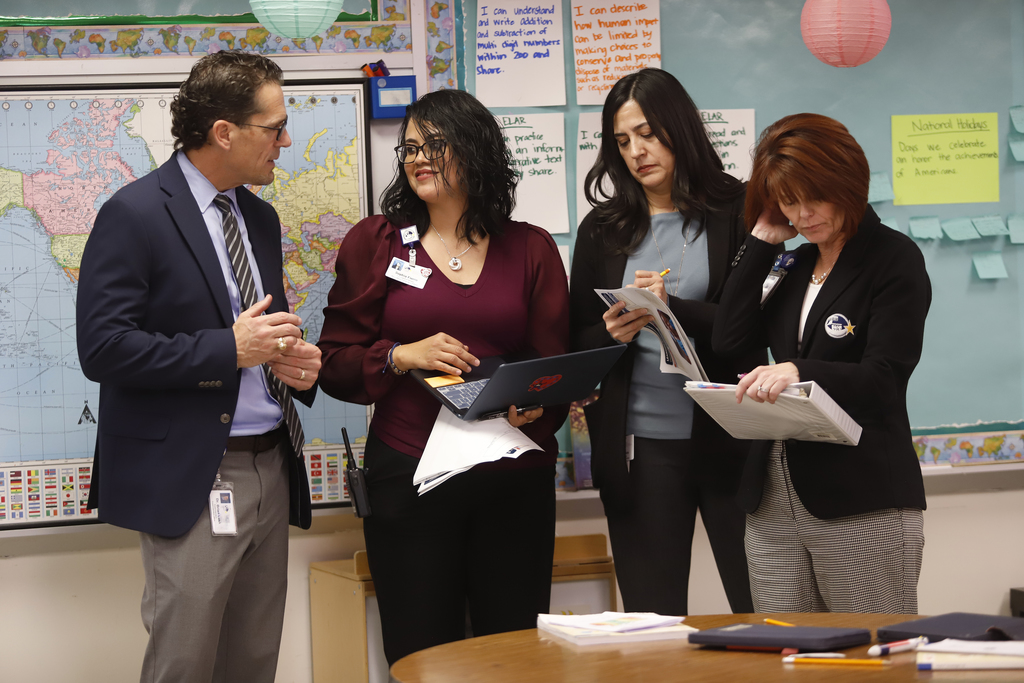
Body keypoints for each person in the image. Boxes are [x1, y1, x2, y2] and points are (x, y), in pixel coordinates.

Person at [76, 51, 322, 682]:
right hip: (192, 475)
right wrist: (228, 350)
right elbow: (103, 348)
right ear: (224, 132)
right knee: (184, 664)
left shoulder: (258, 217)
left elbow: (263, 330)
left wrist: (293, 361)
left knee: (252, 661)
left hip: (271, 464)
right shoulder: (134, 214)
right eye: (275, 127)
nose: (285, 141)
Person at [317, 88, 569, 664]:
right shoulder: (376, 243)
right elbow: (334, 362)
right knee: (421, 652)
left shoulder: (530, 248)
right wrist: (401, 355)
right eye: (409, 148)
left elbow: (552, 366)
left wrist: (537, 404)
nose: (417, 158)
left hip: (512, 476)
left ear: (475, 150)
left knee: (514, 652)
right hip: (408, 478)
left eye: (434, 144)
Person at [712, 113, 931, 613]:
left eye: (814, 197)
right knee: (787, 656)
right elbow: (729, 340)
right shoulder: (795, 262)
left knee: (871, 658)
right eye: (788, 201)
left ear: (847, 183)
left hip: (861, 495)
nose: (802, 214)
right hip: (772, 494)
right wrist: (763, 242)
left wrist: (798, 370)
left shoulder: (893, 258)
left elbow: (884, 378)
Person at [569, 68, 761, 616]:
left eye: (648, 134)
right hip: (640, 451)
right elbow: (575, 337)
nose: (636, 152)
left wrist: (675, 308)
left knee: (762, 612)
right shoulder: (601, 228)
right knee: (652, 625)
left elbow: (752, 324)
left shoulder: (740, 210)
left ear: (679, 127)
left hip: (734, 440)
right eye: (623, 141)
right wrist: (607, 331)